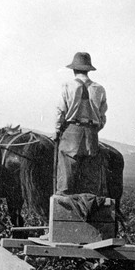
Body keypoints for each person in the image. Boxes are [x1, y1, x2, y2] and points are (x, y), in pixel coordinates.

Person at [54, 52, 108, 195]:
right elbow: (102, 117)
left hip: (71, 131)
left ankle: (64, 206)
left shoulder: (66, 86)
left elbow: (60, 112)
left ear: (74, 69)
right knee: (90, 178)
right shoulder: (99, 89)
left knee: (66, 172)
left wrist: (58, 130)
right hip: (91, 134)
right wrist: (93, 129)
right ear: (88, 70)